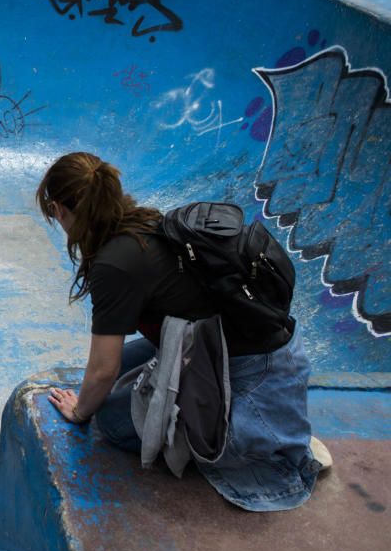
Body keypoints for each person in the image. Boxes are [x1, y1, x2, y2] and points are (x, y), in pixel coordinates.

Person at [37, 152, 324, 512]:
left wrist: (80, 413)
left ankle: (229, 426)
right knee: (126, 364)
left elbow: (102, 370)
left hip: (243, 367)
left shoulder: (114, 264)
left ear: (61, 210)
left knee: (110, 419)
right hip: (234, 340)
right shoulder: (143, 221)